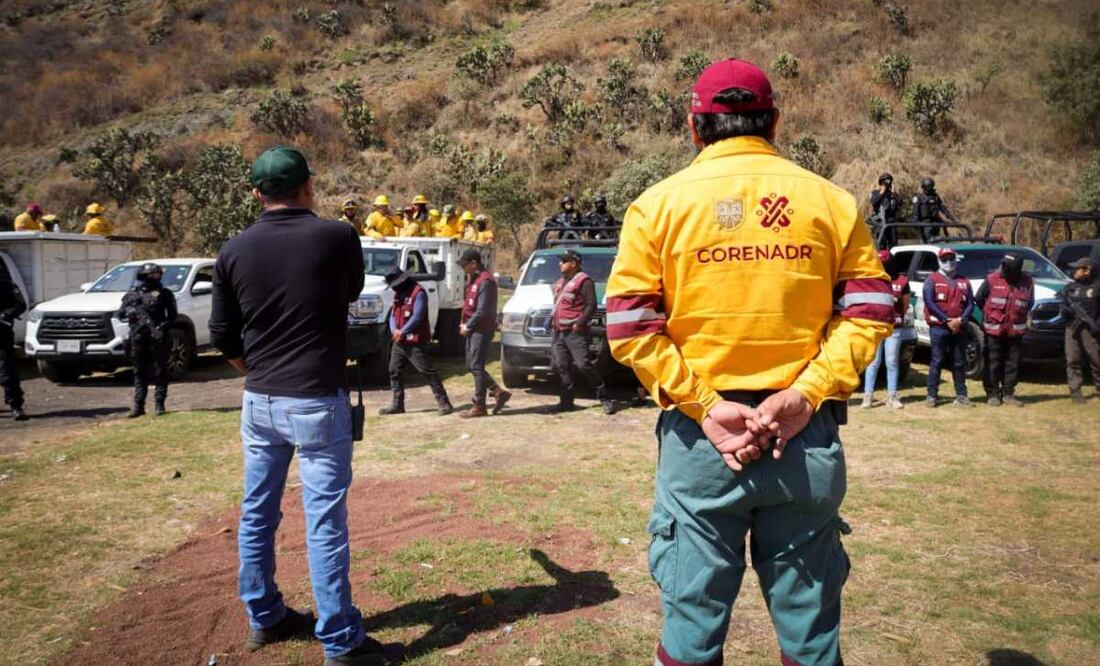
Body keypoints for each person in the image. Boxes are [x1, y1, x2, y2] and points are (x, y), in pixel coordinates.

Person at [606, 58, 893, 666]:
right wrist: (807, 394)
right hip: (803, 441)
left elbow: (630, 326)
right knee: (812, 639)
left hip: (700, 443)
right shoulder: (831, 202)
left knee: (690, 634)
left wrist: (706, 407)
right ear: (774, 123)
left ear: (694, 127)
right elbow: (871, 311)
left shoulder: (657, 206)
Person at [209, 146, 402, 666]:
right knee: (324, 522)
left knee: (257, 512)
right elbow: (352, 290)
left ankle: (265, 616)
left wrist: (255, 373)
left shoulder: (232, 250)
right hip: (316, 399)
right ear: (308, 187)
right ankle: (340, 641)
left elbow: (222, 332)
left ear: (256, 194)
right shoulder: (337, 236)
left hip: (259, 401)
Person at [379, 268, 453, 416]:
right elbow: (393, 315)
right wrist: (395, 331)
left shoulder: (418, 293)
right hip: (399, 341)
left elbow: (417, 316)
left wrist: (403, 331)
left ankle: (444, 402)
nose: (394, 287)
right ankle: (397, 404)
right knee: (394, 370)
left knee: (426, 370)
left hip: (415, 341)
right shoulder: (398, 294)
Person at [550, 250, 615, 415]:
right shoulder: (562, 280)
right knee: (561, 366)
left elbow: (591, 305)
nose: (560, 264)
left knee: (583, 365)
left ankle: (605, 397)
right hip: (559, 331)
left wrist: (580, 323)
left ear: (574, 263)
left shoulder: (584, 281)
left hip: (574, 332)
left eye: (564, 261)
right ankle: (566, 401)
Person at [118, 263, 177, 417]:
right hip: (138, 337)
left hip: (158, 338)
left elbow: (172, 316)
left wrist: (161, 329)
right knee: (139, 372)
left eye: (157, 274)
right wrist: (130, 312)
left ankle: (159, 404)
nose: (155, 277)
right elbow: (120, 313)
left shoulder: (165, 294)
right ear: (143, 276)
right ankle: (139, 406)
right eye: (152, 275)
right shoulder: (132, 295)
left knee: (160, 371)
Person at [457, 248, 511, 418]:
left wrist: (468, 326)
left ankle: (480, 405)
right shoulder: (474, 278)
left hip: (481, 329)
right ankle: (497, 391)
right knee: (471, 365)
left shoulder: (486, 281)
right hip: (473, 328)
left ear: (474, 263)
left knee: (476, 366)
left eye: (464, 265)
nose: (463, 268)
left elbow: (483, 310)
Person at [975, 253, 1034, 407]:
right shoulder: (991, 279)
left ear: (1017, 268)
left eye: (1008, 266)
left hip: (1015, 330)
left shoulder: (1028, 282)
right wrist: (991, 315)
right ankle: (992, 394)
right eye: (1003, 265)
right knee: (993, 362)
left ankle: (1008, 393)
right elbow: (979, 298)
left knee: (1012, 363)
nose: (1004, 268)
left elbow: (1030, 303)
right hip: (994, 330)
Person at [923, 248, 974, 407]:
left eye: (951, 259)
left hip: (959, 327)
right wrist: (946, 320)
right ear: (939, 261)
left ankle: (961, 395)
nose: (948, 262)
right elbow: (929, 302)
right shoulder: (932, 279)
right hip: (939, 327)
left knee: (959, 362)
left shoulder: (964, 281)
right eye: (944, 259)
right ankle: (932, 396)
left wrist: (961, 320)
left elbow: (970, 304)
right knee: (937, 361)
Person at [862, 249, 911, 409]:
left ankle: (892, 397)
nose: (883, 266)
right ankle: (868, 396)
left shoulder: (902, 281)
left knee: (891, 361)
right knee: (873, 362)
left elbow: (905, 305)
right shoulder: (872, 279)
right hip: (876, 327)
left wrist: (898, 317)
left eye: (885, 263)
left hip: (894, 328)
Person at [1060, 257, 1100, 404]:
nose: (1074, 271)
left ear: (1087, 270)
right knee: (1072, 359)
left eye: (1077, 268)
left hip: (1091, 329)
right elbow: (1062, 305)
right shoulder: (1070, 287)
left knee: (1096, 359)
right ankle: (1075, 390)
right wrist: (1065, 310)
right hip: (1072, 328)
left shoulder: (1097, 287)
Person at [0, 270, 28, 421]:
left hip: (2, 332)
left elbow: (21, 304)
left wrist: (6, 315)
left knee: (7, 369)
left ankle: (15, 405)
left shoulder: (6, 285)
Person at [911, 177, 958, 242]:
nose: (929, 189)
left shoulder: (935, 196)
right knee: (927, 242)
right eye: (927, 187)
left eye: (930, 186)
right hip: (925, 224)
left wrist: (953, 220)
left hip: (935, 223)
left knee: (936, 241)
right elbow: (915, 214)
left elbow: (943, 209)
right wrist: (918, 226)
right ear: (923, 187)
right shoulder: (918, 198)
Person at [868, 173, 900, 248]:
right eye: (885, 182)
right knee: (881, 244)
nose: (887, 184)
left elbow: (899, 203)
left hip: (891, 223)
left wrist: (894, 193)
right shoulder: (875, 193)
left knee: (893, 244)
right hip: (880, 222)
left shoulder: (892, 194)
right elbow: (873, 202)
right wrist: (881, 193)